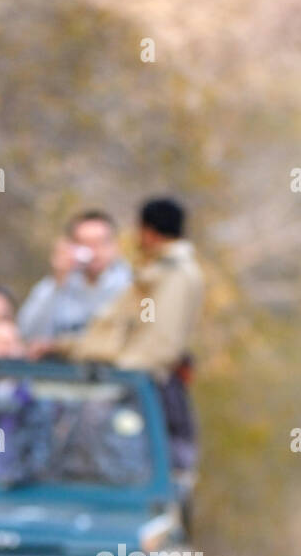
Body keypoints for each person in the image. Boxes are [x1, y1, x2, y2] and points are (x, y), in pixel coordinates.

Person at [34, 197, 204, 470]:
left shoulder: (174, 274)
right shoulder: (156, 272)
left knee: (124, 461)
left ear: (149, 231)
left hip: (142, 388)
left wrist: (119, 377)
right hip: (119, 382)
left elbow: (159, 343)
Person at [17, 210, 132, 341]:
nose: (94, 251)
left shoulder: (132, 287)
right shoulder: (55, 285)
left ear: (115, 245)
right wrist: (57, 281)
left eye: (101, 242)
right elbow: (27, 333)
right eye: (85, 243)